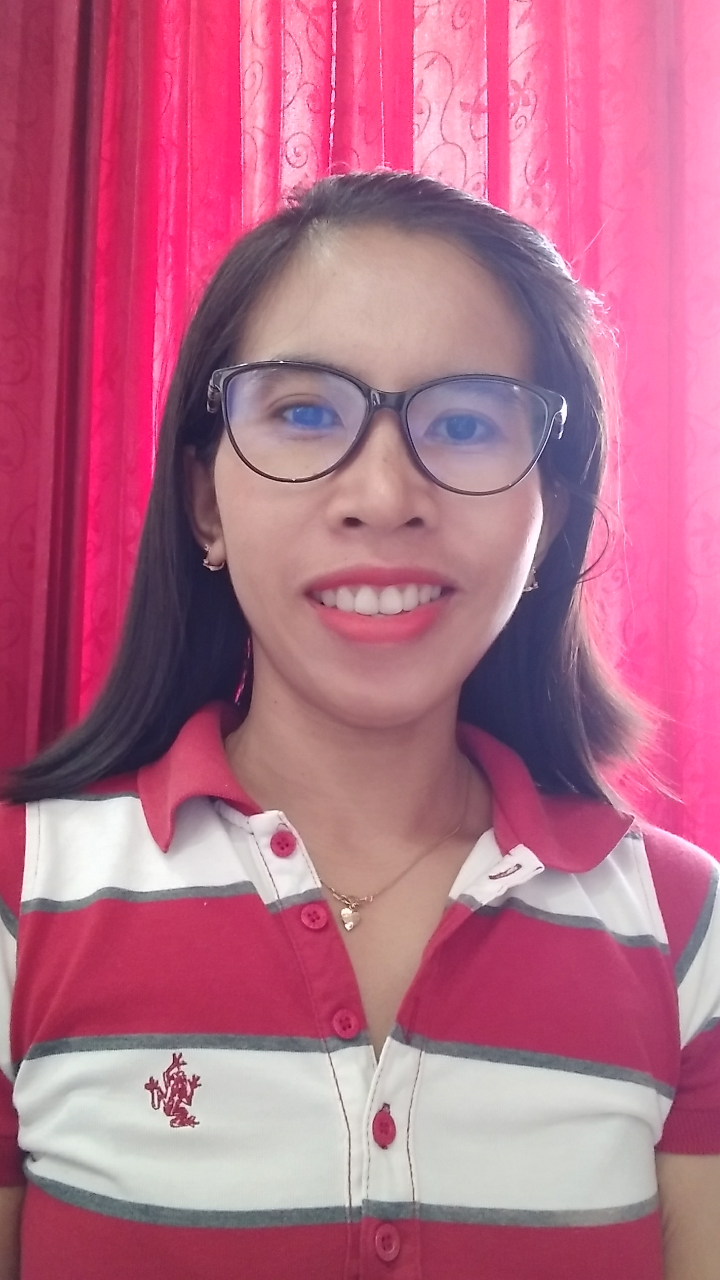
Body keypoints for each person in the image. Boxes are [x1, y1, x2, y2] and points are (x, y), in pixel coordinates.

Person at [0, 170, 718, 1280]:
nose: (383, 496)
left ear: (549, 518)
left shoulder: (686, 936)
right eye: (303, 413)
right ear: (205, 502)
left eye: (466, 423)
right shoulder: (21, 900)